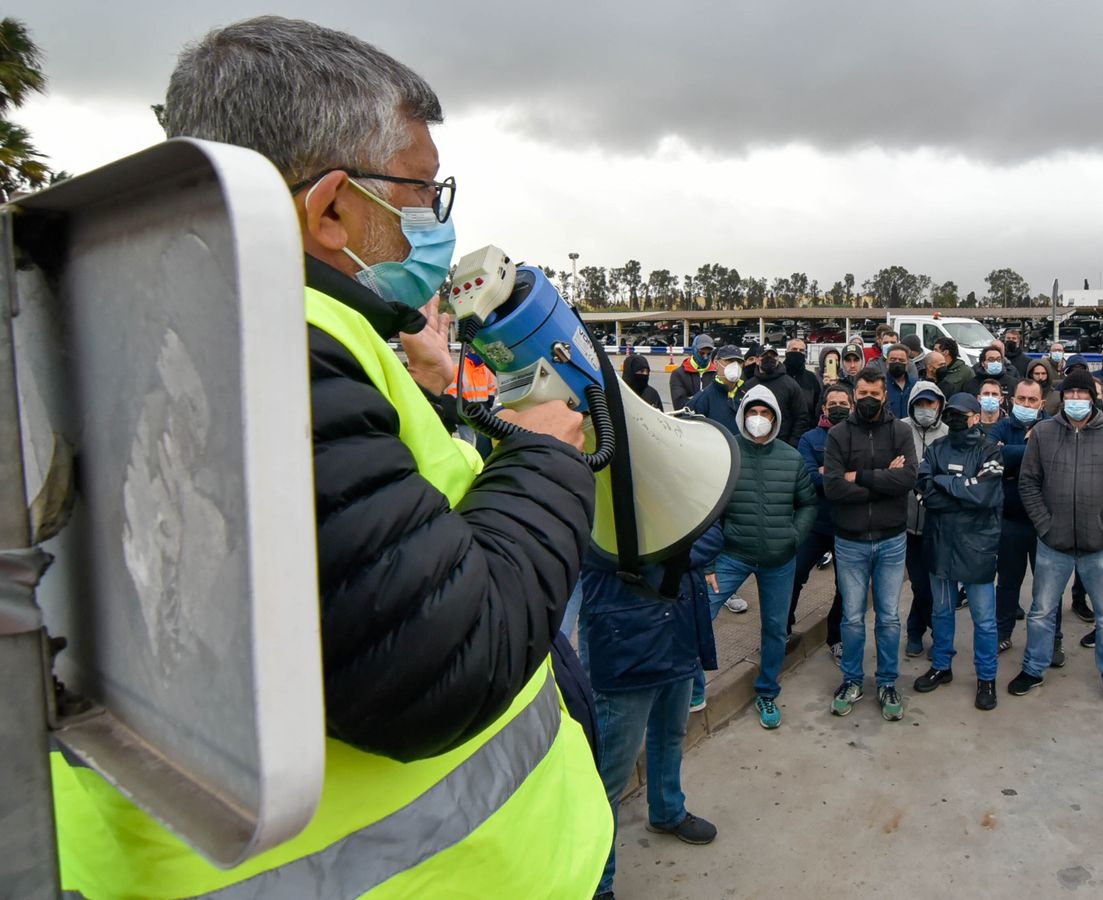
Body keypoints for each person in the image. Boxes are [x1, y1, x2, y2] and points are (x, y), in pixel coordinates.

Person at [53, 17, 610, 896]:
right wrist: (542, 455)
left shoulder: (153, 327)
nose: (435, 220)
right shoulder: (262, 346)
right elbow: (446, 660)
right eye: (423, 192)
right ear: (334, 208)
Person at [581, 525, 721, 899]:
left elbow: (712, 533)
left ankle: (667, 812)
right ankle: (597, 881)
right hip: (625, 645)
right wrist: (674, 548)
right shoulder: (596, 482)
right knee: (609, 774)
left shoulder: (677, 478)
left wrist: (653, 554)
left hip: (677, 634)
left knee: (670, 736)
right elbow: (598, 551)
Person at [1012, 369, 1103, 713]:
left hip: (1099, 546)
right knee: (1041, 611)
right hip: (1053, 544)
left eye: (1081, 395)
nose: (1075, 401)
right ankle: (1033, 668)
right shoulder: (1043, 432)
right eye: (1069, 395)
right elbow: (1029, 483)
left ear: (1094, 398)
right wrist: (1045, 525)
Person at [699, 386, 817, 730]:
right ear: (743, 413)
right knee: (699, 615)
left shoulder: (790, 458)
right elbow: (708, 508)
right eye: (754, 411)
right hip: (732, 555)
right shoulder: (726, 452)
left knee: (775, 629)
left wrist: (793, 537)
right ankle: (692, 688)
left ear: (776, 418)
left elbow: (808, 503)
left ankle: (767, 690)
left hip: (779, 560)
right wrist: (708, 561)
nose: (759, 419)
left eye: (766, 413)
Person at [824, 368, 918, 721]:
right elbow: (833, 487)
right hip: (849, 542)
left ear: (884, 397)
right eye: (861, 392)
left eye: (874, 394)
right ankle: (852, 680)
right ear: (854, 393)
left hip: (892, 540)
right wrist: (884, 478)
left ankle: (887, 681)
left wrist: (860, 475)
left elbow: (907, 478)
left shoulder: (901, 431)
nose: (867, 400)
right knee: (851, 618)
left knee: (890, 618)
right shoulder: (837, 435)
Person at [914, 392, 1005, 710]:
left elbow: (986, 497)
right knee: (941, 613)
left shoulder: (990, 450)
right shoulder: (936, 448)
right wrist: (963, 488)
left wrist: (945, 483)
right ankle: (942, 665)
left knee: (984, 620)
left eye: (961, 413)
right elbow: (925, 492)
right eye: (950, 412)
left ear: (976, 416)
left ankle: (987, 678)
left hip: (977, 546)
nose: (955, 417)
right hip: (940, 544)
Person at [791, 384, 851, 665]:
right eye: (833, 403)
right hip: (814, 524)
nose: (838, 407)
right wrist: (842, 475)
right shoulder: (809, 438)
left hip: (847, 526)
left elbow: (864, 476)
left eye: (843, 402)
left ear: (851, 406)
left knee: (845, 587)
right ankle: (783, 628)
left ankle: (835, 637)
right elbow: (809, 479)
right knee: (794, 575)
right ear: (824, 408)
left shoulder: (860, 437)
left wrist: (829, 472)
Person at [989, 377, 1046, 653]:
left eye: (1032, 400)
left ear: (1041, 403)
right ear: (1012, 400)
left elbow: (1053, 462)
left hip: (1043, 523)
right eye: (1021, 399)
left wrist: (1010, 460)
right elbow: (991, 458)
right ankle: (1003, 632)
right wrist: (1032, 451)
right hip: (1009, 520)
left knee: (1047, 587)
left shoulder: (1051, 428)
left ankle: (1052, 638)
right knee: (1008, 582)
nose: (1026, 404)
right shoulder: (1000, 427)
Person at [900, 381, 950, 658]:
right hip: (906, 523)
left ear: (940, 404)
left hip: (936, 524)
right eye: (920, 403)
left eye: (931, 403)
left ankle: (919, 630)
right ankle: (919, 630)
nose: (925, 409)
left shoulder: (948, 433)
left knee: (934, 584)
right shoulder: (900, 428)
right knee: (920, 583)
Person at [746, 344, 808, 446]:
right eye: (765, 356)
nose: (769, 359)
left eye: (773, 356)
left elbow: (801, 417)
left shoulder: (790, 385)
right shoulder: (749, 385)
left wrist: (792, 444)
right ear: (757, 360)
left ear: (778, 359)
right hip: (753, 443)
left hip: (782, 444)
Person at [686, 345, 747, 434]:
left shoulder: (749, 394)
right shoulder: (702, 399)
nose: (735, 366)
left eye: (739, 362)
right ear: (716, 363)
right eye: (730, 361)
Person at [785, 337, 822, 432]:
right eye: (794, 349)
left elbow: (816, 408)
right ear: (786, 352)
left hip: (805, 432)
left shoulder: (812, 378)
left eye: (801, 350)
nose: (798, 352)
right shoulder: (778, 376)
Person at [671, 333, 717, 409]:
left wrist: (692, 399)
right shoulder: (678, 374)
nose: (705, 357)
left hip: (710, 420)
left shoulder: (717, 373)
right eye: (702, 353)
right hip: (687, 420)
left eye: (708, 353)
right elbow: (680, 405)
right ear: (694, 350)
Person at [883, 342, 921, 420]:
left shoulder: (916, 385)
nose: (897, 362)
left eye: (901, 360)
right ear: (887, 363)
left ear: (907, 364)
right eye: (893, 360)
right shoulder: (880, 385)